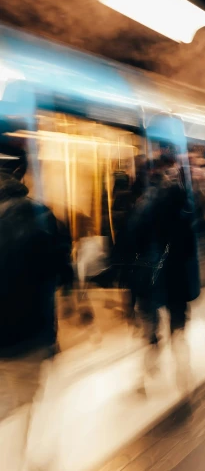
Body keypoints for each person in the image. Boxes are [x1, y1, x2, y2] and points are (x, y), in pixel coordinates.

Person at [0, 142, 72, 468]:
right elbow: (60, 273)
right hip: (28, 334)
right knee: (21, 404)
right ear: (21, 172)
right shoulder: (41, 215)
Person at [128, 149, 200, 391]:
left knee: (150, 327)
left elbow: (132, 244)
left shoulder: (143, 205)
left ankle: (146, 375)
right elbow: (190, 245)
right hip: (177, 274)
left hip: (150, 274)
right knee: (178, 325)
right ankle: (183, 369)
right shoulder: (183, 204)